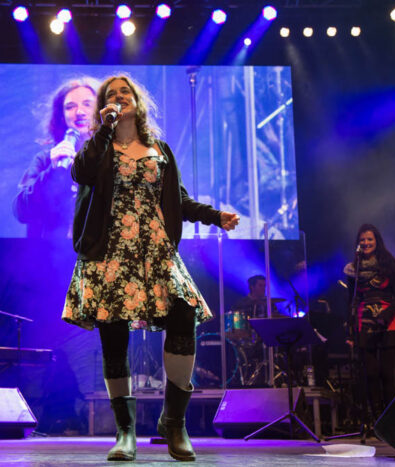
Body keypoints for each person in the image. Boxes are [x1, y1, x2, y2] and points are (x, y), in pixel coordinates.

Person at [61, 75, 239, 461]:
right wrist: (104, 129)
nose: (118, 97)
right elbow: (81, 172)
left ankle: (173, 422)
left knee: (183, 313)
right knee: (114, 338)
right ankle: (125, 431)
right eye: (111, 95)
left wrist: (215, 216)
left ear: (138, 101)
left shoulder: (160, 149)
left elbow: (179, 200)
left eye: (124, 92)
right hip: (109, 253)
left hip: (156, 252)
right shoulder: (98, 148)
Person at [13, 77, 99, 238]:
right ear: (62, 116)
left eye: (87, 104)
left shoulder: (116, 160)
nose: (79, 112)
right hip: (52, 251)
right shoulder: (46, 160)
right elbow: (21, 211)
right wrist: (53, 172)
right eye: (70, 107)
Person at [343, 224, 395, 419]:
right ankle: (376, 419)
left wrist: (385, 315)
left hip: (388, 321)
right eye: (362, 240)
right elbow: (351, 300)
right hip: (364, 322)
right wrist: (351, 329)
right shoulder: (353, 269)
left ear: (377, 241)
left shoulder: (389, 264)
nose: (366, 243)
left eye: (369, 239)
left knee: (387, 374)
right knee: (371, 374)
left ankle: (392, 419)